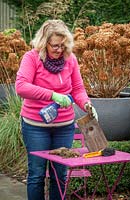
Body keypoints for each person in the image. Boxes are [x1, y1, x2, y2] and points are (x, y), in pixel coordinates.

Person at [15, 19, 98, 200]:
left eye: (62, 45)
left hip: (64, 126)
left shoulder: (70, 59)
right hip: (35, 126)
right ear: (44, 43)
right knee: (37, 174)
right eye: (54, 46)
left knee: (59, 175)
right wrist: (52, 95)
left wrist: (86, 104)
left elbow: (77, 89)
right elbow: (21, 86)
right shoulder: (31, 58)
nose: (59, 49)